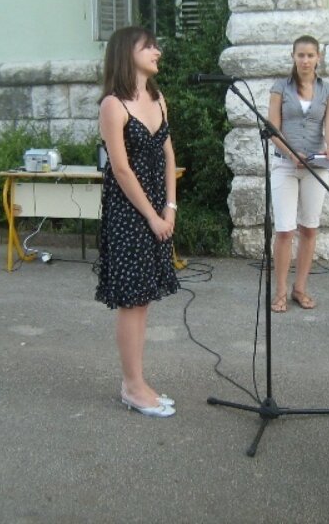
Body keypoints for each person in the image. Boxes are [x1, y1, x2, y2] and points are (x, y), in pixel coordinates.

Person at [94, 26, 180, 418]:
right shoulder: (113, 105)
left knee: (143, 300)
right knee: (132, 301)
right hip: (129, 214)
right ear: (127, 53)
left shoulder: (158, 99)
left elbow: (169, 156)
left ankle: (138, 381)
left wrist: (170, 208)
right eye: (148, 47)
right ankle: (131, 386)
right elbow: (121, 170)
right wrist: (151, 216)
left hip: (157, 212)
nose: (156, 52)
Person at [267, 35, 329, 313]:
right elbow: (273, 128)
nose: (305, 60)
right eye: (301, 55)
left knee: (309, 228)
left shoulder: (328, 89)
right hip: (285, 165)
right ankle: (280, 291)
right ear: (293, 57)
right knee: (285, 230)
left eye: (310, 55)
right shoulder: (280, 87)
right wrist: (290, 153)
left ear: (318, 58)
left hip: (315, 166)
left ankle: (300, 288)